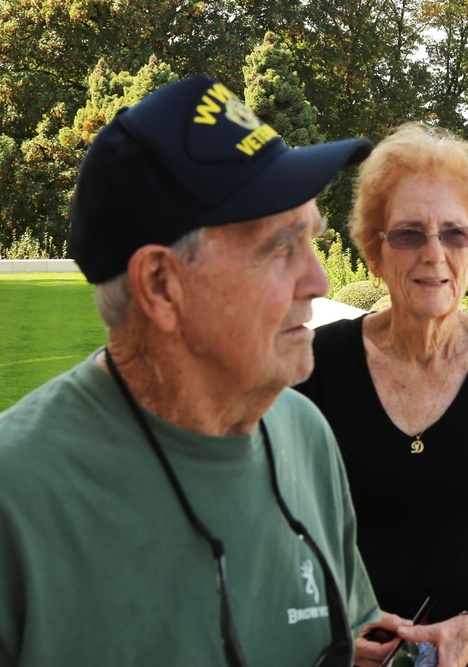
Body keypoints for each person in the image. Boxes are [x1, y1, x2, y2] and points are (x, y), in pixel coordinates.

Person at [0, 74, 403, 666]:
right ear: (162, 286)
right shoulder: (17, 500)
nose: (318, 282)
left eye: (312, 240)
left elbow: (348, 630)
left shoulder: (306, 435)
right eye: (279, 247)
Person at [295, 122, 468, 667]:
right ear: (375, 251)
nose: (433, 252)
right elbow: (274, 529)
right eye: (408, 234)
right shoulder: (316, 364)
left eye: (454, 233)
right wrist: (328, 630)